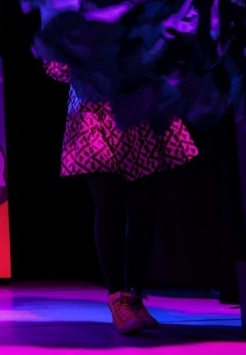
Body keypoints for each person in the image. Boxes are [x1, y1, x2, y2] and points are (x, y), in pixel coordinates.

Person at [43, 60, 199, 335]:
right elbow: (56, 67)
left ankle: (134, 296)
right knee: (109, 204)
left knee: (143, 209)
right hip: (94, 112)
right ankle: (117, 296)